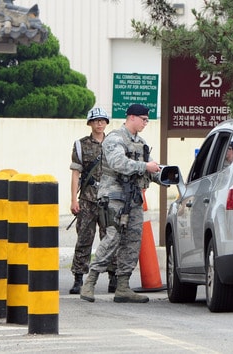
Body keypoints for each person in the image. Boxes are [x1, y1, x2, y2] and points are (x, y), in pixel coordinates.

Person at [80, 103, 162, 303]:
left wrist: (166, 176)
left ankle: (123, 285)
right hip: (114, 197)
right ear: (132, 117)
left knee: (133, 240)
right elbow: (119, 164)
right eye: (143, 119)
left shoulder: (140, 143)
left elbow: (150, 170)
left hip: (133, 198)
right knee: (113, 237)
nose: (145, 123)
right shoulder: (115, 139)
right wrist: (146, 166)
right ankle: (89, 282)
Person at [69, 107, 118, 294]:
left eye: (102, 120)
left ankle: (113, 277)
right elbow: (75, 173)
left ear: (106, 123)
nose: (99, 123)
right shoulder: (81, 145)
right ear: (90, 123)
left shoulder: (114, 144)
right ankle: (78, 278)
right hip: (88, 199)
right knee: (84, 238)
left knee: (111, 238)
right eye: (96, 120)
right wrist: (74, 199)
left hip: (109, 199)